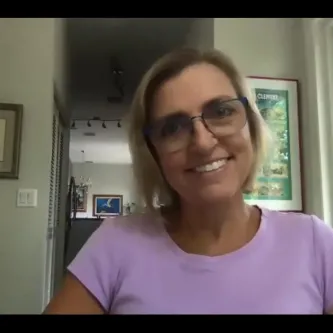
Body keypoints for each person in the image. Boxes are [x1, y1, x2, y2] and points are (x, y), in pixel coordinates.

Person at [44, 48, 333, 314]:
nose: (203, 143)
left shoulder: (313, 242)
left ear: (252, 127)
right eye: (172, 128)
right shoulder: (116, 243)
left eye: (221, 112)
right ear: (154, 155)